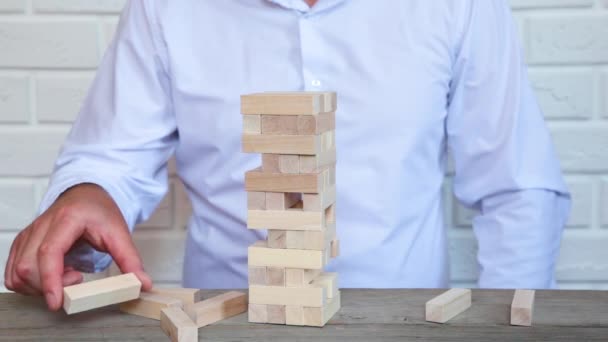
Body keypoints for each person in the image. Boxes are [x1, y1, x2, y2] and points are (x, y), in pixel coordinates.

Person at [4, 0, 570, 311]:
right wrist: (88, 195)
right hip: (230, 317)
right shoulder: (164, 7)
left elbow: (516, 188)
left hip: (403, 318)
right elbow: (108, 161)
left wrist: (509, 322)